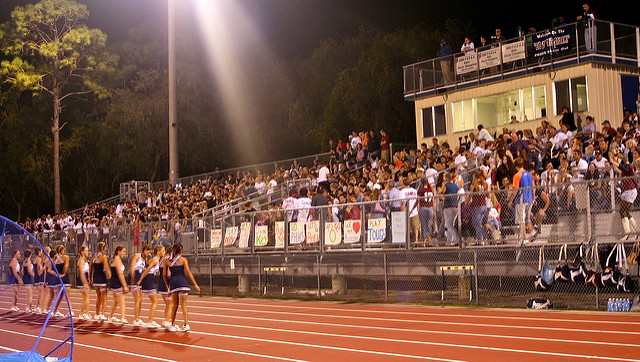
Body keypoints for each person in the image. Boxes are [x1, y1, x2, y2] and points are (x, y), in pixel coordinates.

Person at [166, 243, 200, 332]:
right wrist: (195, 284)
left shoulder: (167, 261)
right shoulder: (183, 260)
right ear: (181, 251)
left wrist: (167, 285)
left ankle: (172, 325)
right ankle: (186, 324)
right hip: (182, 283)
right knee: (184, 305)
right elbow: (188, 273)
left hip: (174, 283)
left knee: (175, 305)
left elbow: (164, 275)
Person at [611, 152, 639, 239]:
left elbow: (623, 167)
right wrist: (613, 161)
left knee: (623, 211)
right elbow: (619, 169)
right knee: (624, 211)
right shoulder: (624, 170)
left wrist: (614, 161)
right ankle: (634, 231)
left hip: (630, 191)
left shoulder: (628, 166)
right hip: (627, 191)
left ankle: (629, 232)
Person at [137, 245, 165, 329]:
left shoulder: (157, 260)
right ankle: (150, 321)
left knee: (155, 301)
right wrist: (140, 280)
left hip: (150, 279)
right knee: (155, 301)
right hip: (148, 280)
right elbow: (147, 270)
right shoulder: (155, 259)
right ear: (159, 252)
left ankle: (150, 320)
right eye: (163, 251)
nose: (164, 253)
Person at [509, 157, 535, 242]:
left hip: (521, 200)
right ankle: (533, 233)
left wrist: (511, 200)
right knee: (527, 219)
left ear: (516, 166)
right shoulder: (530, 175)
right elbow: (533, 187)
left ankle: (524, 238)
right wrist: (533, 198)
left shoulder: (517, 176)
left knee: (521, 220)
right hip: (529, 199)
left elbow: (515, 190)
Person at [130, 244, 152, 327]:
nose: (149, 254)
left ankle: (137, 318)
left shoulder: (144, 259)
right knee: (137, 299)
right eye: (148, 252)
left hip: (139, 278)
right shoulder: (137, 255)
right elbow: (132, 266)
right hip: (135, 277)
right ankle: (136, 319)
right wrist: (132, 279)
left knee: (140, 300)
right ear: (144, 250)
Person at [90, 241, 111, 321]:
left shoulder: (93, 258)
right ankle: (102, 314)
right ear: (103, 248)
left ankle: (97, 313)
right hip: (102, 278)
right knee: (104, 298)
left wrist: (90, 279)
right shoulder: (103, 257)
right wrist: (110, 277)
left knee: (98, 297)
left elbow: (90, 269)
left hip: (95, 279)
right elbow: (106, 268)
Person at [108, 246, 129, 323]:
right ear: (118, 251)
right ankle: (123, 317)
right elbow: (120, 274)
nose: (124, 253)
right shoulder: (117, 260)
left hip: (114, 281)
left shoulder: (116, 259)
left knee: (116, 301)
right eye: (123, 251)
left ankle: (111, 316)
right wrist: (124, 285)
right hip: (117, 282)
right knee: (122, 300)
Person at [158, 246, 174, 329]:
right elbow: (168, 274)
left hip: (161, 283)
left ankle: (167, 320)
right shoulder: (168, 261)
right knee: (170, 304)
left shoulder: (161, 260)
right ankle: (167, 322)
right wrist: (169, 285)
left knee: (168, 304)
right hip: (166, 284)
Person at [76, 246, 91, 320]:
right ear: (82, 252)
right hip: (82, 279)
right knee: (86, 297)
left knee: (85, 297)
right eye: (86, 251)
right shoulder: (81, 260)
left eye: (87, 251)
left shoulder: (84, 260)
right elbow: (81, 272)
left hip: (85, 278)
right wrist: (84, 282)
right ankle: (86, 313)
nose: (87, 252)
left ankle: (82, 313)